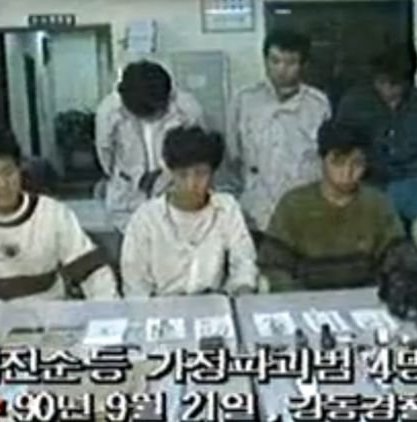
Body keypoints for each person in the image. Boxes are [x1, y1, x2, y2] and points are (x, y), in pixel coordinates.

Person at [0, 131, 118, 311]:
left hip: (52, 319)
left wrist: (106, 316)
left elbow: (95, 274)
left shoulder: (53, 214)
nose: (2, 184)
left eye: (8, 172)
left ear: (20, 169)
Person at [258, 121, 404, 292]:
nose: (347, 172)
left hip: (366, 297)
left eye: (357, 164)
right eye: (338, 163)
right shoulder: (294, 204)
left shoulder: (377, 203)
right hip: (306, 298)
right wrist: (298, 297)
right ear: (322, 160)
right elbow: (274, 265)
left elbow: (398, 258)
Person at [121, 126, 258, 297]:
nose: (191, 184)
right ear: (170, 173)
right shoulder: (146, 218)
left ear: (212, 173)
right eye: (183, 175)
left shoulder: (227, 208)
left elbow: (244, 263)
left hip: (213, 304)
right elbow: (135, 283)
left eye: (201, 174)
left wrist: (242, 289)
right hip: (161, 305)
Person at [225, 29, 331, 231]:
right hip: (256, 211)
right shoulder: (244, 101)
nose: (281, 69)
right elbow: (233, 159)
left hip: (305, 211)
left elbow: (326, 160)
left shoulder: (318, 105)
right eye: (275, 61)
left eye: (290, 63)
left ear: (303, 65)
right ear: (265, 61)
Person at [336, 42, 417, 225]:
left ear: (408, 81)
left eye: (394, 84)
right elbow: (342, 145)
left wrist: (412, 169)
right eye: (381, 82)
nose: (387, 90)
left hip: (412, 181)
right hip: (367, 181)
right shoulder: (353, 103)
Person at [95, 60, 204, 231]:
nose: (151, 118)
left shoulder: (187, 109)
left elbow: (198, 153)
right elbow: (106, 155)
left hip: (175, 192)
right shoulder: (109, 112)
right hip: (127, 197)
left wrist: (169, 176)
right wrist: (127, 176)